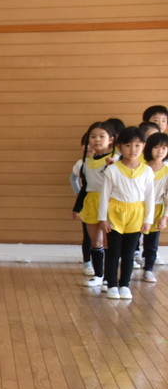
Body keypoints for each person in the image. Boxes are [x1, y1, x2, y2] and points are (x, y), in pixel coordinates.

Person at [97, 126, 153, 299]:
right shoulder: (112, 169)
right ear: (120, 146)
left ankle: (125, 285)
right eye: (128, 145)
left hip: (136, 214)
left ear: (143, 146)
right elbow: (104, 195)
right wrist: (103, 218)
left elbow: (149, 197)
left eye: (137, 145)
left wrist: (148, 220)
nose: (132, 149)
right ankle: (112, 284)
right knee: (113, 252)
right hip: (115, 213)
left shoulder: (147, 171)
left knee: (129, 254)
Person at [72, 121, 118, 287]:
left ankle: (109, 278)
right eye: (93, 136)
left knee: (108, 242)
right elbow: (85, 187)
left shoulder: (116, 160)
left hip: (109, 202)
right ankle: (98, 275)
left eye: (101, 136)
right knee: (95, 242)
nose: (97, 140)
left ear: (111, 139)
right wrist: (77, 207)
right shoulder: (86, 163)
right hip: (91, 202)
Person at [140, 132, 168, 282]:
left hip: (157, 209)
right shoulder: (141, 168)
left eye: (164, 148)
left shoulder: (167, 171)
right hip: (138, 208)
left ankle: (148, 269)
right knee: (133, 240)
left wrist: (165, 216)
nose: (160, 151)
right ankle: (130, 265)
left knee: (152, 243)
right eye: (156, 147)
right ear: (149, 148)